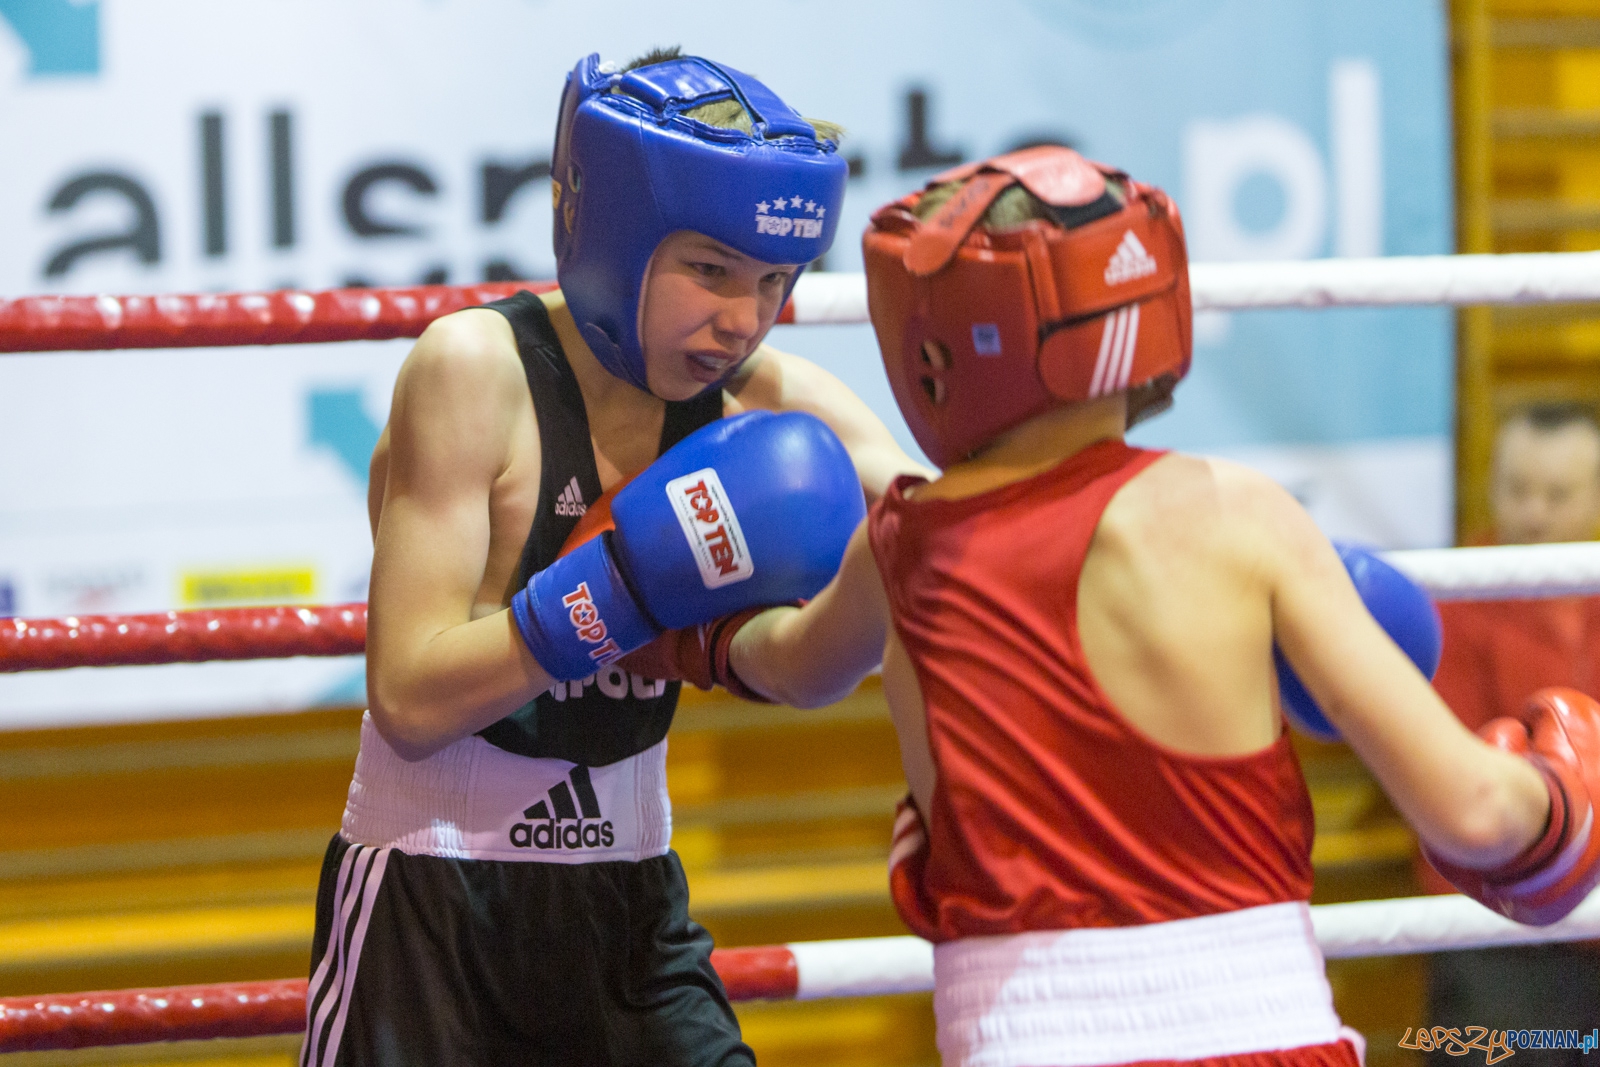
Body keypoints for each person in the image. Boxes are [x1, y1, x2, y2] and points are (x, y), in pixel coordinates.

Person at [715, 146, 1600, 1067]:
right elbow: (1476, 814)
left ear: (938, 341)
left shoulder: (900, 544)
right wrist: (1562, 796)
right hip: (1267, 1033)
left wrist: (657, 614)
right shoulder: (1238, 514)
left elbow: (783, 661)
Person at [298, 48, 926, 1067]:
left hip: (633, 898)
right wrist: (620, 590)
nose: (742, 317)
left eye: (771, 279)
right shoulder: (474, 372)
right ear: (611, 233)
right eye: (709, 270)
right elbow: (409, 699)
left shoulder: (764, 400)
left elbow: (933, 526)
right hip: (435, 899)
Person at [1421, 403, 1600, 1067]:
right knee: (1492, 1046)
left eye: (1558, 494)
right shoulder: (1457, 598)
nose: (1534, 512)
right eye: (1518, 489)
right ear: (1490, 486)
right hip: (1495, 919)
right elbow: (1453, 787)